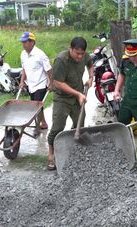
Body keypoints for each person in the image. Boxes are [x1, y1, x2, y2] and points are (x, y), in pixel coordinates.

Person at [47, 37, 94, 170]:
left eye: (82, 54)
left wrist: (91, 77)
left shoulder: (84, 56)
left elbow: (90, 64)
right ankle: (51, 155)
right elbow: (58, 83)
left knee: (80, 125)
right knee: (57, 127)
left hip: (77, 96)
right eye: (77, 53)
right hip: (62, 98)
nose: (79, 57)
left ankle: (74, 150)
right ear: (70, 48)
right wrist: (78, 94)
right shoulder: (61, 60)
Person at [19, 31, 52, 130]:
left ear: (32, 42)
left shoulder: (40, 54)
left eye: (25, 42)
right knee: (35, 105)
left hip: (40, 84)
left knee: (37, 105)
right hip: (31, 85)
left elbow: (49, 69)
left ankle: (40, 123)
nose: (23, 44)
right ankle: (43, 122)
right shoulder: (23, 54)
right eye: (22, 42)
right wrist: (22, 81)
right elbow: (24, 69)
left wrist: (51, 83)